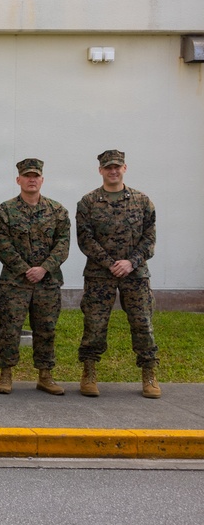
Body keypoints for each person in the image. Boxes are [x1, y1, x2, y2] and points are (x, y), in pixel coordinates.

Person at [76, 149, 160, 398]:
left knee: (142, 323)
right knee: (94, 324)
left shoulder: (142, 201)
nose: (113, 171)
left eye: (117, 167)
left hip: (135, 274)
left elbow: (150, 238)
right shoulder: (88, 202)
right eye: (108, 167)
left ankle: (149, 374)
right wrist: (110, 263)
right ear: (100, 170)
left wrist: (130, 262)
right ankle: (89, 373)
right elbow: (85, 239)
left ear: (125, 168)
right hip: (99, 274)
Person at [0, 158, 71, 395]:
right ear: (19, 180)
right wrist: (25, 269)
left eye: (35, 176)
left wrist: (44, 268)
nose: (31, 179)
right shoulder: (6, 210)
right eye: (27, 176)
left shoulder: (57, 211)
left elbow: (63, 244)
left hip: (47, 281)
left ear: (42, 180)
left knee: (46, 328)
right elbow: (2, 244)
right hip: (16, 282)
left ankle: (45, 375)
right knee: (10, 328)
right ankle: (5, 375)